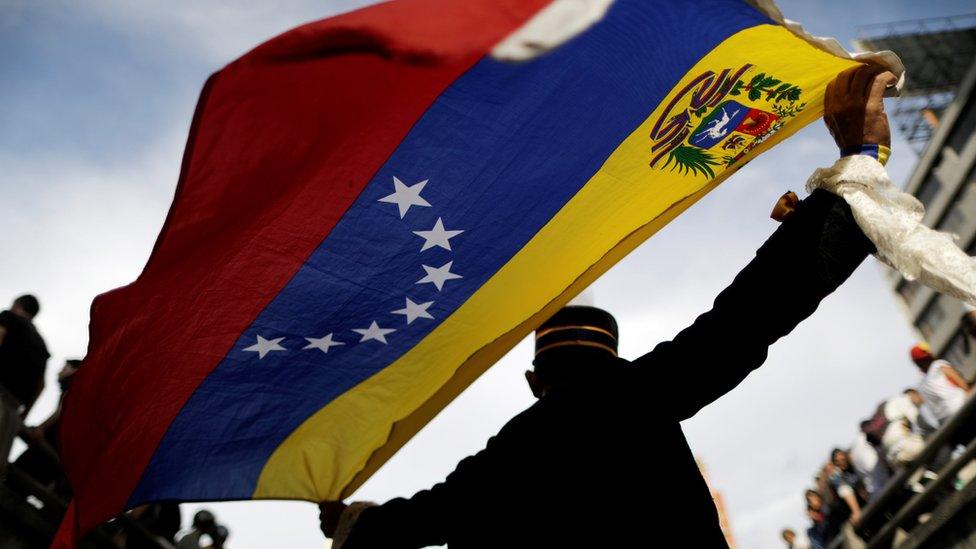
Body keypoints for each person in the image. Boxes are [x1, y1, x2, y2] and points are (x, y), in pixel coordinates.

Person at [318, 64, 896, 548]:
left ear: (532, 380)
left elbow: (419, 520)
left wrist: (350, 521)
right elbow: (748, 317)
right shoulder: (639, 398)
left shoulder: (509, 456)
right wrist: (857, 167)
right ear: (615, 361)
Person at [0, 294, 50, 413]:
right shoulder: (41, 345)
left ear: (16, 305)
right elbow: (41, 385)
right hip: (12, 411)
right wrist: (23, 415)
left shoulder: (8, 316)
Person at [910, 343, 971, 428]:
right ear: (929, 354)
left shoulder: (920, 386)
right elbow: (963, 385)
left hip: (946, 424)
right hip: (962, 408)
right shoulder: (938, 366)